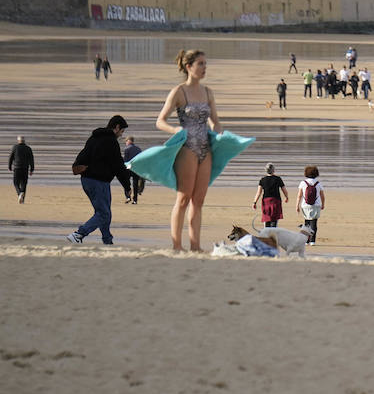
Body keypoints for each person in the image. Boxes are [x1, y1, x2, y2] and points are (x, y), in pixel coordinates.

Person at [145, 49, 251, 252]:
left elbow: (215, 122)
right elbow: (160, 121)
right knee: (183, 198)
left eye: (205, 64)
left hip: (206, 149)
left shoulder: (208, 92)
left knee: (199, 200)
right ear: (189, 67)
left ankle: (195, 245)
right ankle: (177, 245)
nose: (204, 67)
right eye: (200, 64)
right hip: (187, 149)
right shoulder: (179, 92)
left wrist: (220, 135)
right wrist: (175, 130)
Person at [66, 117, 134, 245]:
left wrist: (77, 166)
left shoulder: (94, 138)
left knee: (104, 212)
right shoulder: (111, 142)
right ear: (117, 127)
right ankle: (78, 234)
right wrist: (127, 186)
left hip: (87, 180)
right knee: (103, 213)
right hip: (98, 181)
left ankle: (107, 240)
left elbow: (83, 155)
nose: (121, 135)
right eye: (122, 131)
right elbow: (118, 166)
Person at [296, 166, 324, 244]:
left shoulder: (303, 183)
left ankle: (306, 240)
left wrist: (297, 205)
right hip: (316, 205)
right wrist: (323, 204)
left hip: (305, 205)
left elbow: (299, 195)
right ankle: (312, 241)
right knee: (314, 223)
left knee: (306, 223)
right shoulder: (318, 183)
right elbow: (322, 195)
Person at [9, 134, 35, 204]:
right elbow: (31, 160)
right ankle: (22, 200)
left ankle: (19, 193)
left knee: (16, 183)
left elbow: (11, 157)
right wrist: (32, 169)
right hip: (25, 168)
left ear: (18, 141)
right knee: (24, 184)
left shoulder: (15, 147)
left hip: (17, 168)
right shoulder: (28, 148)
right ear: (24, 141)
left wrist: (9, 166)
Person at [122, 135, 144, 204]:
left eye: (126, 141)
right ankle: (135, 200)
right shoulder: (138, 149)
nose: (126, 143)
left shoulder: (127, 149)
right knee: (135, 184)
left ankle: (128, 197)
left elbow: (125, 160)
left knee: (126, 183)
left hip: (128, 168)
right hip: (136, 168)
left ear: (129, 141)